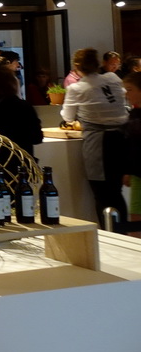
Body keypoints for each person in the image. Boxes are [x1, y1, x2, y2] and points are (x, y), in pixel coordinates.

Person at [61, 48, 129, 223]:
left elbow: (67, 116)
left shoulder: (77, 88)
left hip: (99, 142)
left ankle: (110, 234)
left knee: (102, 193)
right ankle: (122, 231)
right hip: (122, 138)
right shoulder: (113, 78)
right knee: (116, 191)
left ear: (76, 66)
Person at [121, 72, 141, 236]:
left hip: (138, 171)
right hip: (137, 173)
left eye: (129, 89)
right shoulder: (134, 113)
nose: (126, 94)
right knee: (136, 217)